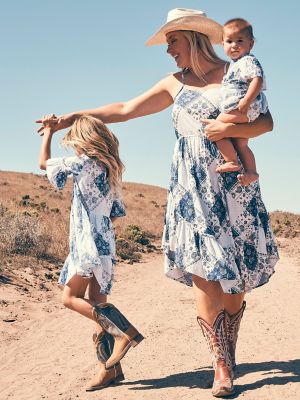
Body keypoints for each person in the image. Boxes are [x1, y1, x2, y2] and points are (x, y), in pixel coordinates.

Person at [37, 8, 279, 397]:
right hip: (193, 188)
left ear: (192, 37)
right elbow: (124, 110)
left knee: (237, 283)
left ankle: (227, 350)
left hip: (235, 186)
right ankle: (221, 364)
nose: (168, 50)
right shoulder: (174, 84)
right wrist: (69, 118)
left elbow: (266, 122)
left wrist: (224, 128)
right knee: (205, 271)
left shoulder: (234, 73)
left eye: (172, 41)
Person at [38, 115, 144, 392]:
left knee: (70, 298)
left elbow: (43, 165)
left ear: (83, 141)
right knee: (97, 303)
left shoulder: (84, 163)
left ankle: (124, 332)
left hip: (87, 240)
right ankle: (110, 369)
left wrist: (49, 132)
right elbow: (116, 213)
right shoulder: (111, 169)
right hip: (105, 239)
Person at [215, 18, 268, 185]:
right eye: (229, 41)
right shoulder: (235, 64)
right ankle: (252, 172)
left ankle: (231, 160)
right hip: (244, 108)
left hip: (244, 107)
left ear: (250, 44)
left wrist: (246, 101)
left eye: (240, 41)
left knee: (216, 128)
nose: (234, 45)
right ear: (222, 44)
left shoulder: (247, 61)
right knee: (241, 143)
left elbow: (257, 80)